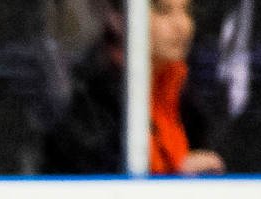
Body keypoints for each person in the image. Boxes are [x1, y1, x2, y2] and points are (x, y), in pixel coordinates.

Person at [44, 0, 226, 174]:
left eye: (186, 11)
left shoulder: (186, 100)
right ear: (118, 19)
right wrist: (175, 184)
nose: (182, 25)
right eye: (163, 11)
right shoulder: (89, 107)